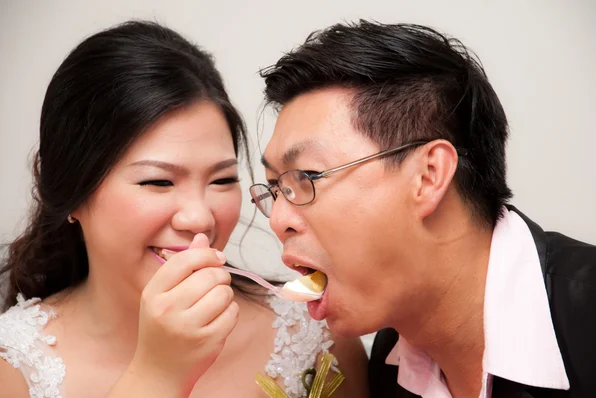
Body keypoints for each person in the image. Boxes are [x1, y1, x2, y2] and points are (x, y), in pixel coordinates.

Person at [0, 20, 369, 398]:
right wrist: (157, 375)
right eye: (158, 182)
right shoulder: (12, 364)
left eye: (222, 180)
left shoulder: (311, 336)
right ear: (72, 191)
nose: (200, 219)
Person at [250, 20, 596, 397]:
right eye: (275, 188)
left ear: (429, 175)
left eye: (307, 177)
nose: (278, 219)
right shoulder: (390, 361)